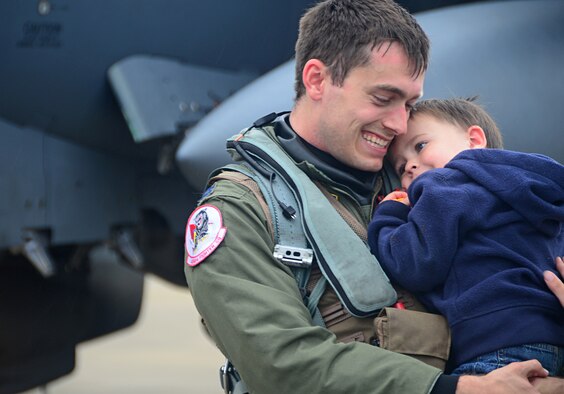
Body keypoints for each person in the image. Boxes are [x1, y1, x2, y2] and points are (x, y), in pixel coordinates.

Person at [184, 1, 561, 393]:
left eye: (410, 104)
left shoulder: (422, 174)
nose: (400, 124)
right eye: (383, 98)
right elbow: (283, 364)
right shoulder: (245, 209)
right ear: (316, 80)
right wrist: (461, 389)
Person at [367, 97, 564, 376]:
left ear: (473, 139)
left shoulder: (445, 184)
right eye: (400, 167)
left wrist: (388, 215)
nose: (411, 166)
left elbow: (414, 264)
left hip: (495, 342)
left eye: (420, 146)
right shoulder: (531, 189)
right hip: (549, 337)